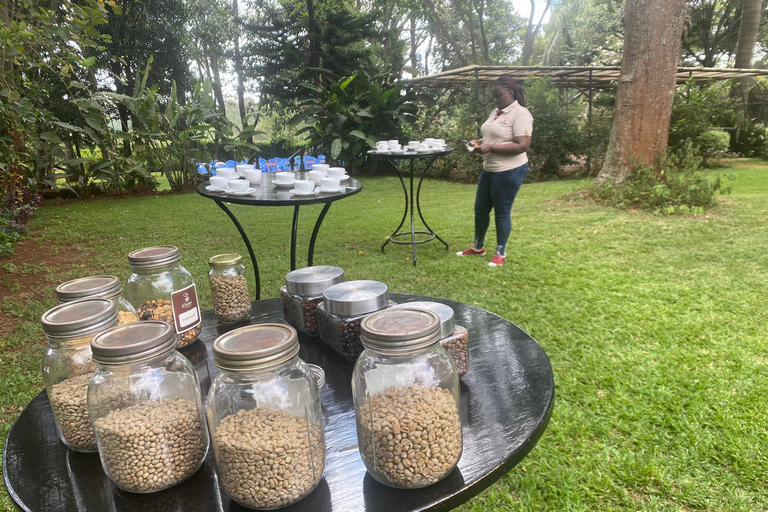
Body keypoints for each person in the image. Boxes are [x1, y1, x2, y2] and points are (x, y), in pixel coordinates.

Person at [456, 75, 533, 267]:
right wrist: (478, 143)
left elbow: (522, 145)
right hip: (489, 169)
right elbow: (492, 137)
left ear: (510, 92)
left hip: (509, 170)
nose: (495, 100)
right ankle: (478, 247)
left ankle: (500, 252)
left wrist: (490, 148)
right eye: (494, 97)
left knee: (501, 211)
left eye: (498, 96)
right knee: (480, 209)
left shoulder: (521, 114)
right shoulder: (497, 112)